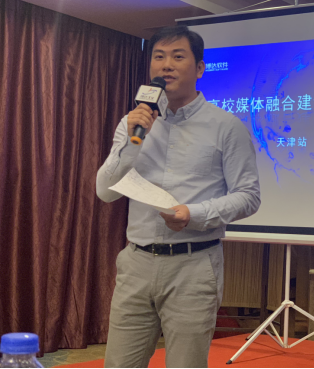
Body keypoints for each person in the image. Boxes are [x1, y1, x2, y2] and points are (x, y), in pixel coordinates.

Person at [96, 25, 261, 368]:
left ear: (199, 68)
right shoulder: (133, 123)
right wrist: (134, 140)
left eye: (177, 56)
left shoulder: (226, 126)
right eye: (159, 57)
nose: (166, 65)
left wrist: (193, 213)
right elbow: (105, 191)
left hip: (193, 265)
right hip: (136, 262)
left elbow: (248, 196)